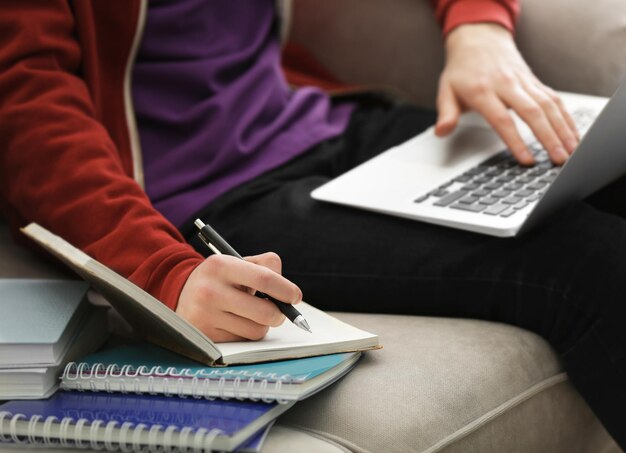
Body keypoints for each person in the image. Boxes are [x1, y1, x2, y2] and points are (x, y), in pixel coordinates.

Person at [0, 0, 624, 447]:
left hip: (323, 122)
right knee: (588, 261)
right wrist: (162, 272)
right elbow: (25, 105)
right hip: (204, 202)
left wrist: (478, 27)